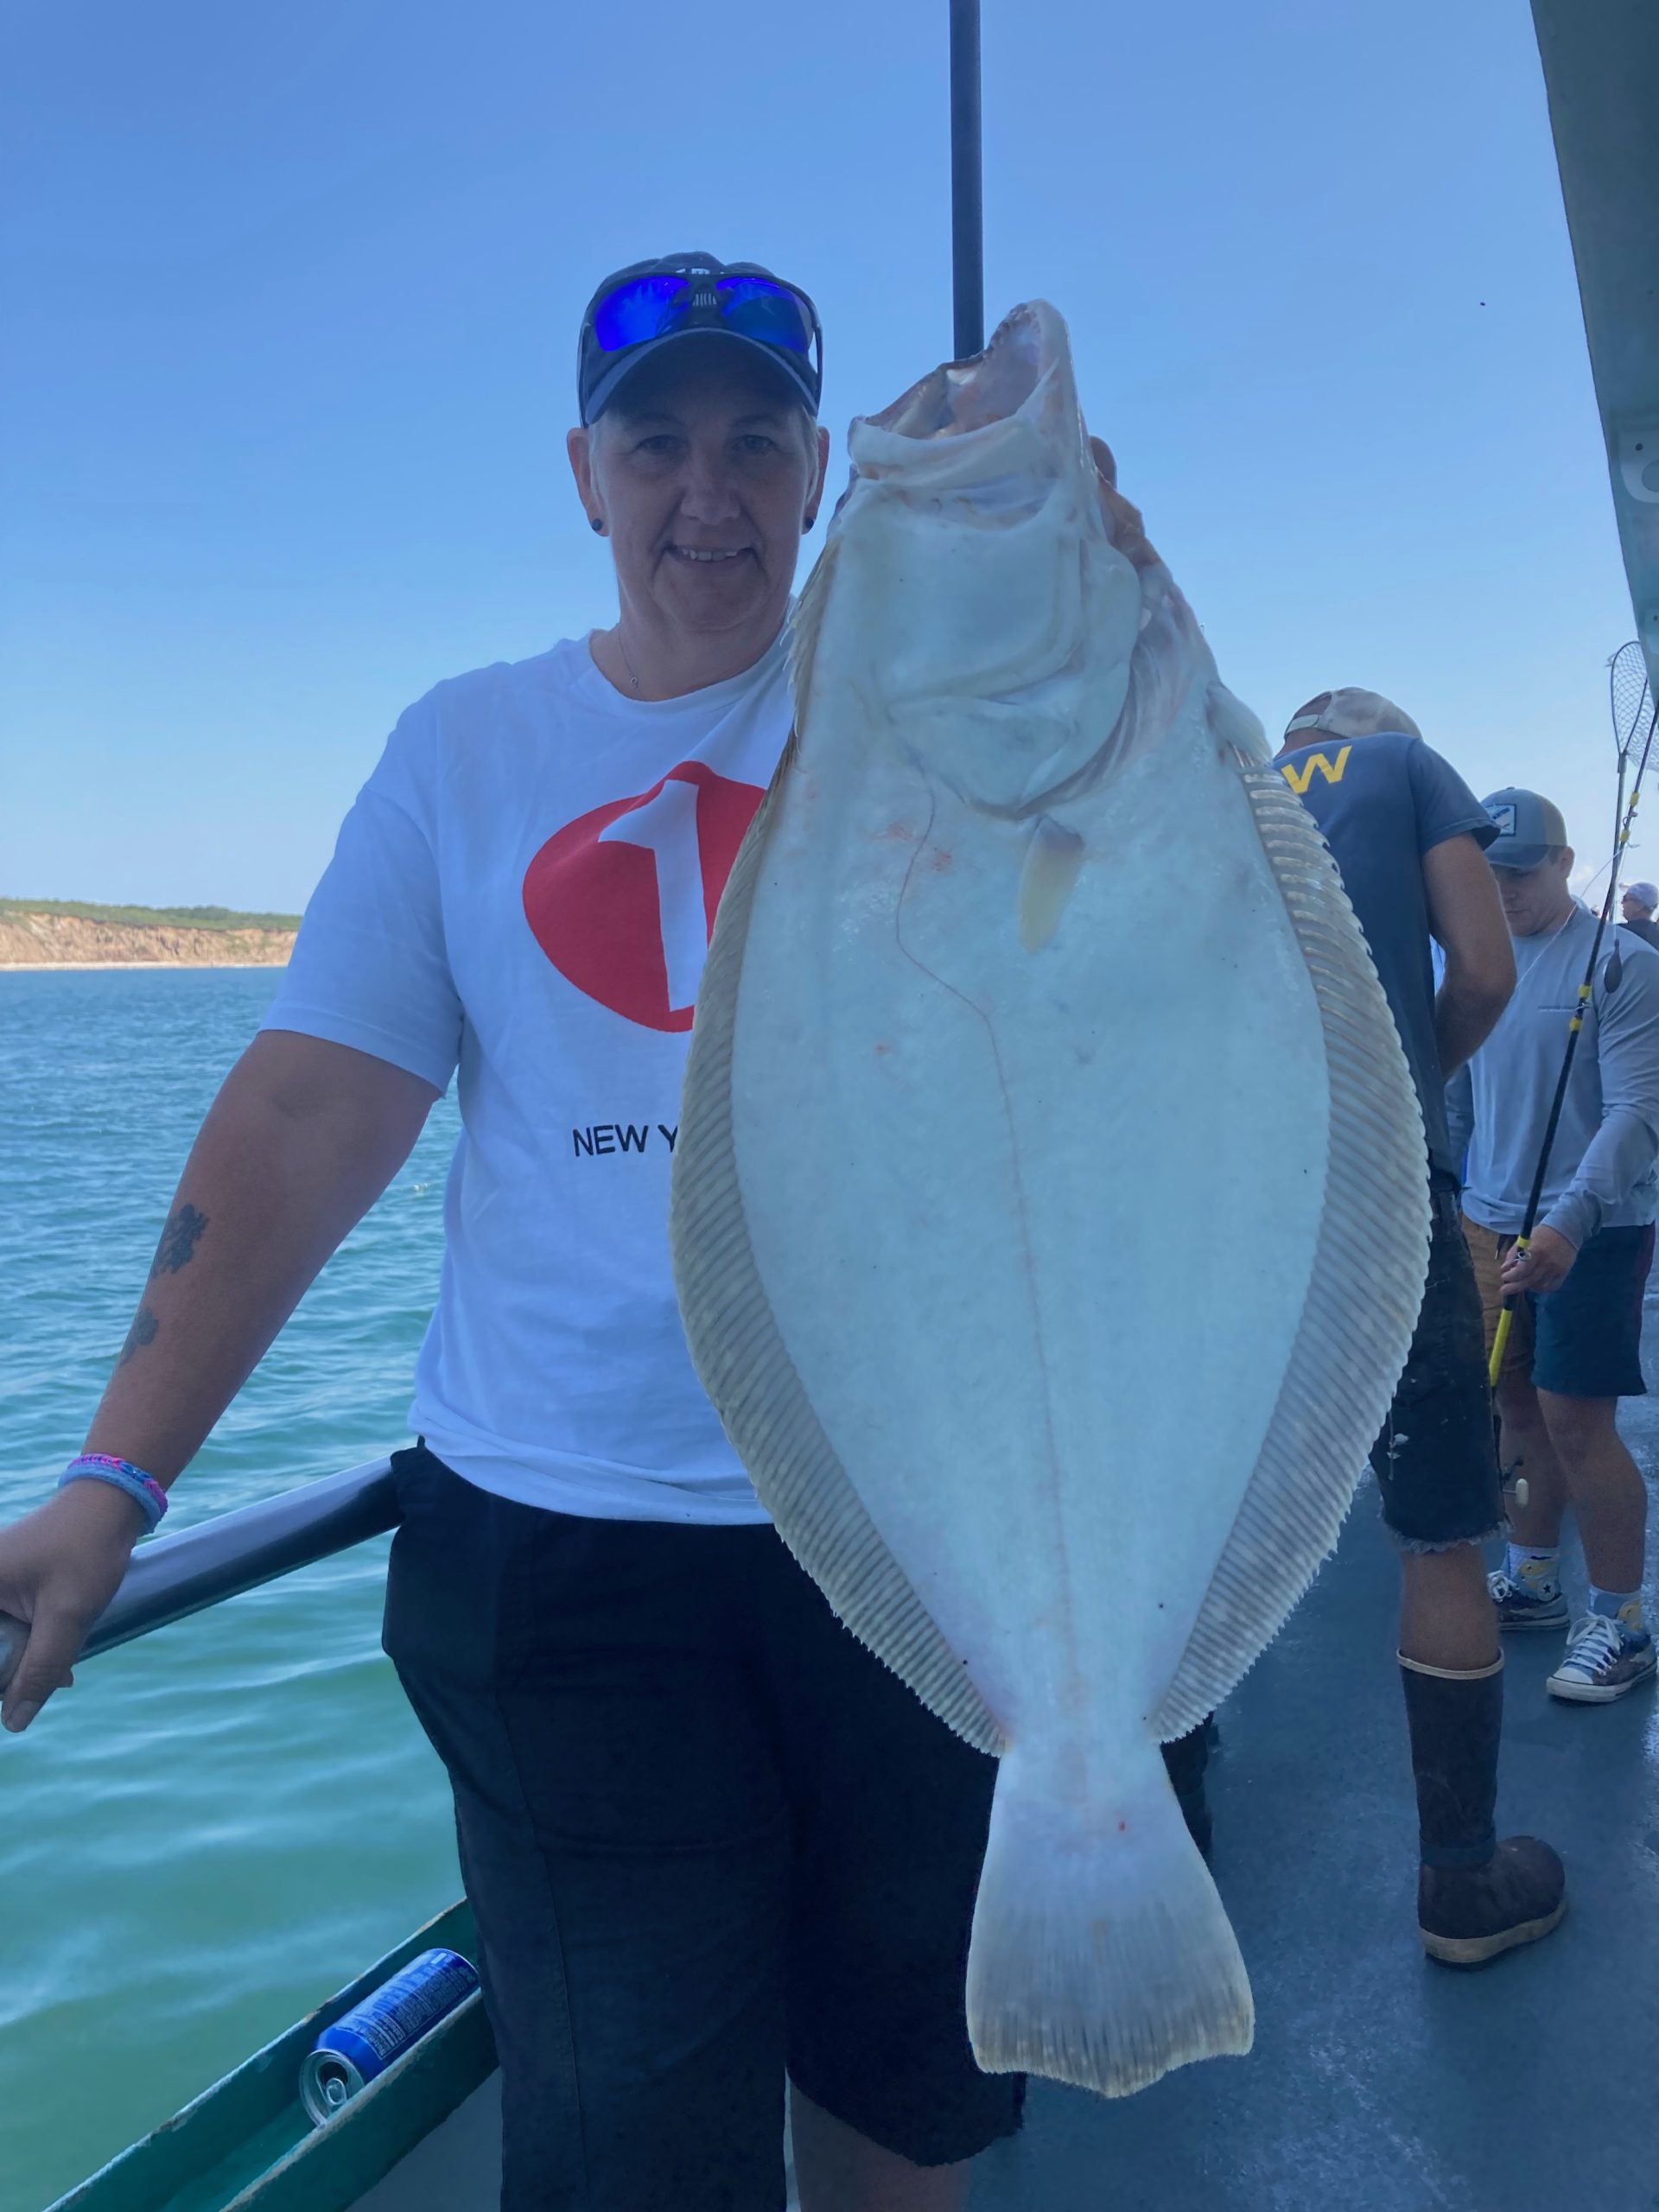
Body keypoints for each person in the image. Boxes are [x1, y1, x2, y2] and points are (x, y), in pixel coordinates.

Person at [0, 253, 1025, 2212]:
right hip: (568, 1563)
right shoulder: (459, 753)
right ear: (584, 473)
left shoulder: (939, 705)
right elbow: (308, 1113)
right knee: (634, 2141)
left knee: (904, 2100)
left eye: (756, 442)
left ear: (825, 475)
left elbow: (1127, 831)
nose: (704, 494)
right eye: (658, 444)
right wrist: (112, 1475)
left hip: (909, 1530)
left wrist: (1043, 521)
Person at [1267, 690, 1565, 1964]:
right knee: (1440, 1536)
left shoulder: (1221, 780)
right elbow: (1486, 967)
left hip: (1219, 1211)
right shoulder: (1402, 764)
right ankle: (1460, 1884)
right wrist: (1412, 1092)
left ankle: (1167, 1802)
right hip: (1381, 1196)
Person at [1450, 789, 1659, 1705]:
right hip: (1490, 1219)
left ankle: (1621, 1621)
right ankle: (1533, 1579)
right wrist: (1459, 1200)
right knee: (1514, 1405)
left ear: (1567, 864)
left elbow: (1639, 1112)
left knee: (1578, 1422)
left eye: (1521, 872)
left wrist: (1568, 1224)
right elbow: (1458, 1092)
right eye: (1489, 874)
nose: (1504, 892)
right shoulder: (1469, 961)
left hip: (1594, 1229)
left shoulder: (1622, 963)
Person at [1620, 879, 1659, 950]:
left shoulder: (1617, 932)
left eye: (1625, 899)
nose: (1622, 902)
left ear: (1639, 906)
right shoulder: (1656, 935)